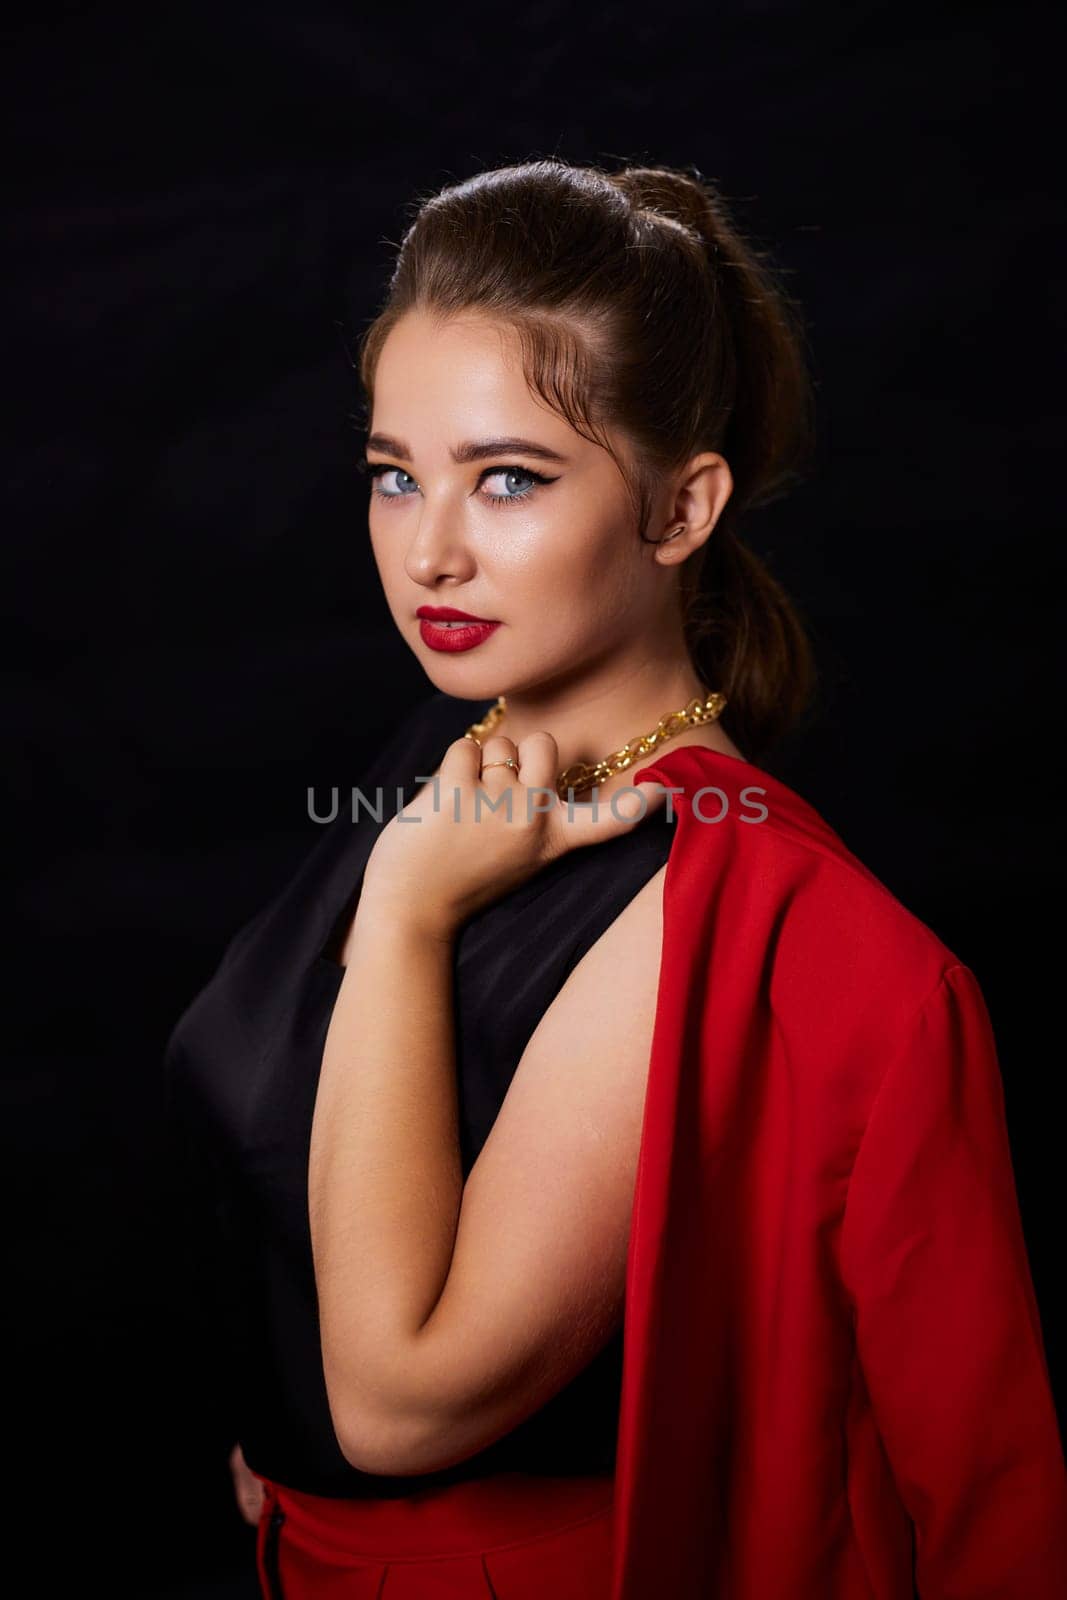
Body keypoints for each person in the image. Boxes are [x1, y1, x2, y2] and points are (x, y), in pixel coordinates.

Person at [162, 157, 1067, 1599]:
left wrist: (405, 914)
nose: (431, 551)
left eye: (508, 478)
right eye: (398, 475)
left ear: (679, 509)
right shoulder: (447, 757)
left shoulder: (708, 897)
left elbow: (398, 1407)